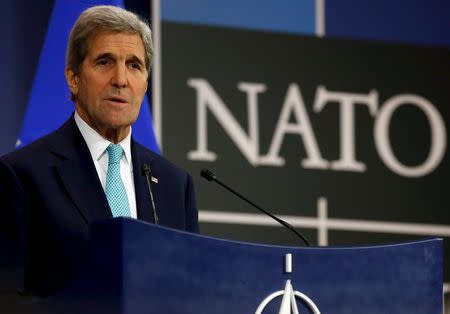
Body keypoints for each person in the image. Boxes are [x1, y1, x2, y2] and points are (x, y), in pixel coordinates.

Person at [0, 5, 198, 297]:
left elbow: (193, 292)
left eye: (134, 65)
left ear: (144, 84)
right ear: (74, 78)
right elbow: (7, 298)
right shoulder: (22, 176)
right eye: (105, 62)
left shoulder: (174, 185)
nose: (121, 79)